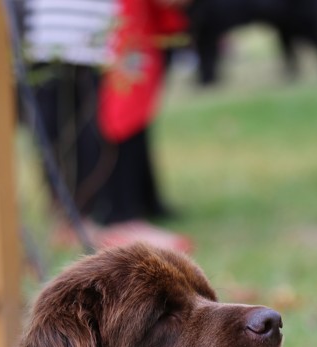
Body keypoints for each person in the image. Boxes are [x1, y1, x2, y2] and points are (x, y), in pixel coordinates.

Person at [20, 0, 192, 251]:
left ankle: (93, 221)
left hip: (91, 35)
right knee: (76, 125)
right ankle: (96, 222)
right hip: (62, 35)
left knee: (88, 123)